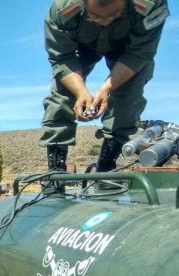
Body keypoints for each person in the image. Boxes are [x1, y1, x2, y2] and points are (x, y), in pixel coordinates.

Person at [39, 0, 168, 173]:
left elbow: (139, 54)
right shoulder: (63, 8)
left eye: (115, 15)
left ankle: (106, 167)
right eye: (96, 16)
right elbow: (61, 57)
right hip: (80, 45)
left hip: (128, 50)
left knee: (128, 99)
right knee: (61, 95)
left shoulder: (151, 6)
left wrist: (105, 89)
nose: (105, 21)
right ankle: (55, 174)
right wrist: (80, 92)